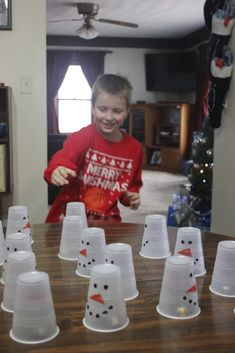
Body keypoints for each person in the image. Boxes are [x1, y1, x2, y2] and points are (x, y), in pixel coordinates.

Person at [44, 73, 144, 223]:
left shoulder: (135, 150)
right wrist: (57, 169)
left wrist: (131, 196)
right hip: (68, 219)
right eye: (102, 109)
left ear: (127, 111)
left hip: (108, 221)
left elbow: (130, 187)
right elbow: (63, 159)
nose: (109, 117)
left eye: (116, 111)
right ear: (92, 107)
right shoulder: (82, 137)